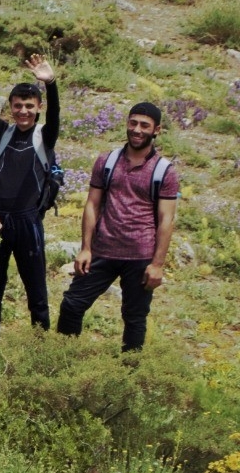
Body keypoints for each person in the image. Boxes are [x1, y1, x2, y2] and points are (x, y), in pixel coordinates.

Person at [58, 103, 179, 352]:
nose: (137, 129)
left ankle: (128, 373)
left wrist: (157, 265)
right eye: (133, 123)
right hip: (103, 250)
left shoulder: (164, 171)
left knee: (134, 317)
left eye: (144, 125)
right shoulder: (107, 161)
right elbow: (92, 204)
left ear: (157, 130)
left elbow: (167, 220)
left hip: (141, 256)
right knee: (72, 304)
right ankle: (63, 362)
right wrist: (85, 248)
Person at [0, 47, 62, 354]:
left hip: (28, 222)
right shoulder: (3, 133)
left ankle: (39, 349)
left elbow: (56, 116)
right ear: (10, 107)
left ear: (38, 108)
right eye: (18, 106)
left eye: (29, 106)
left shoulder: (43, 137)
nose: (23, 111)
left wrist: (51, 83)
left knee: (36, 289)